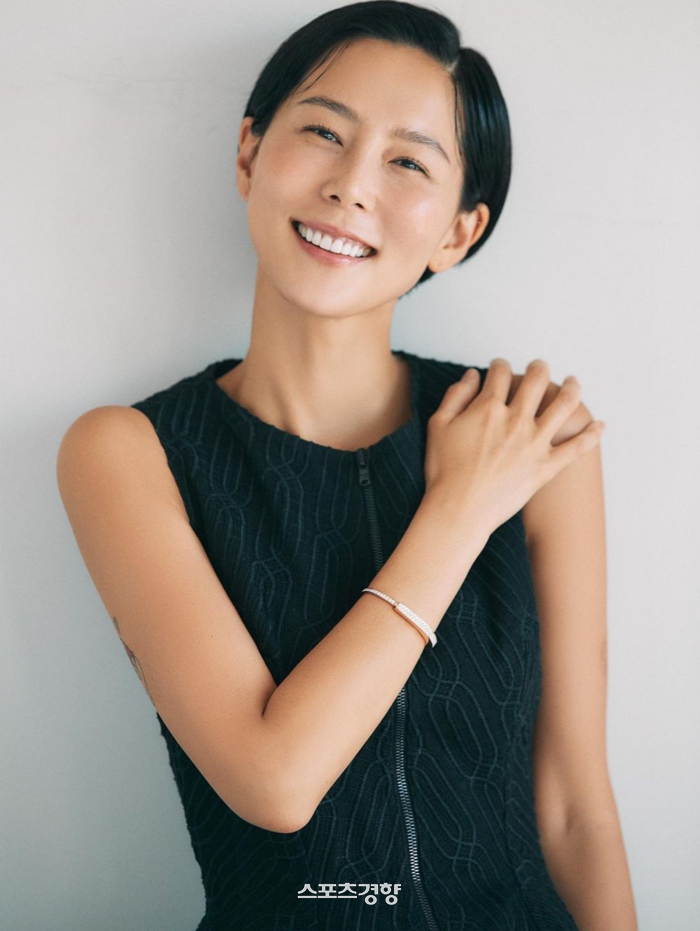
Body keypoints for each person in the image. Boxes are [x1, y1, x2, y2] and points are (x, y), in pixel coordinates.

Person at [55, 2, 637, 929]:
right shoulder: (127, 452)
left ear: (458, 232)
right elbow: (274, 781)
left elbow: (576, 810)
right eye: (324, 132)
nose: (351, 185)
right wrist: (457, 510)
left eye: (409, 162)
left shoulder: (528, 440)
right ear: (249, 153)